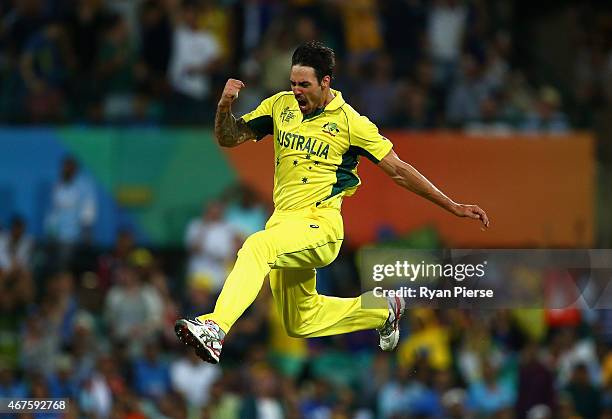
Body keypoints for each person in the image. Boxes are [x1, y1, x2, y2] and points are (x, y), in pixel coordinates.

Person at [175, 41, 489, 364]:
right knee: (300, 320)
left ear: (325, 82)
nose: (296, 91)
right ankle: (383, 309)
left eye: (305, 85)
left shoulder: (352, 124)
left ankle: (216, 326)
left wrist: (452, 205)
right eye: (293, 83)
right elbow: (229, 137)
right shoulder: (279, 107)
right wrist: (224, 106)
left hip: (320, 226)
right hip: (284, 225)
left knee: (257, 247)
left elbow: (399, 171)